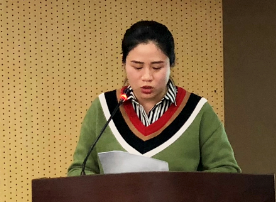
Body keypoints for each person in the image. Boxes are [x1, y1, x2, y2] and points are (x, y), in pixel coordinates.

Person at [67, 21, 240, 176]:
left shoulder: (197, 110)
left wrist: (181, 188)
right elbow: (79, 170)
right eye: (137, 67)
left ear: (171, 63)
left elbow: (227, 171)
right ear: (124, 63)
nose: (147, 77)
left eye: (157, 67)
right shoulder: (104, 107)